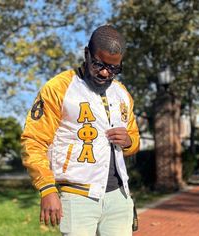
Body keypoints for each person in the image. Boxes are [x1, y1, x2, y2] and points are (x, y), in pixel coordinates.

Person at [21, 25, 140, 236]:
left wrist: (129, 141)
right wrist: (47, 188)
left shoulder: (122, 94)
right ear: (87, 54)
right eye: (98, 64)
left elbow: (134, 140)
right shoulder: (58, 88)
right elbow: (34, 140)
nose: (105, 73)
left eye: (113, 68)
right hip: (77, 196)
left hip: (119, 197)